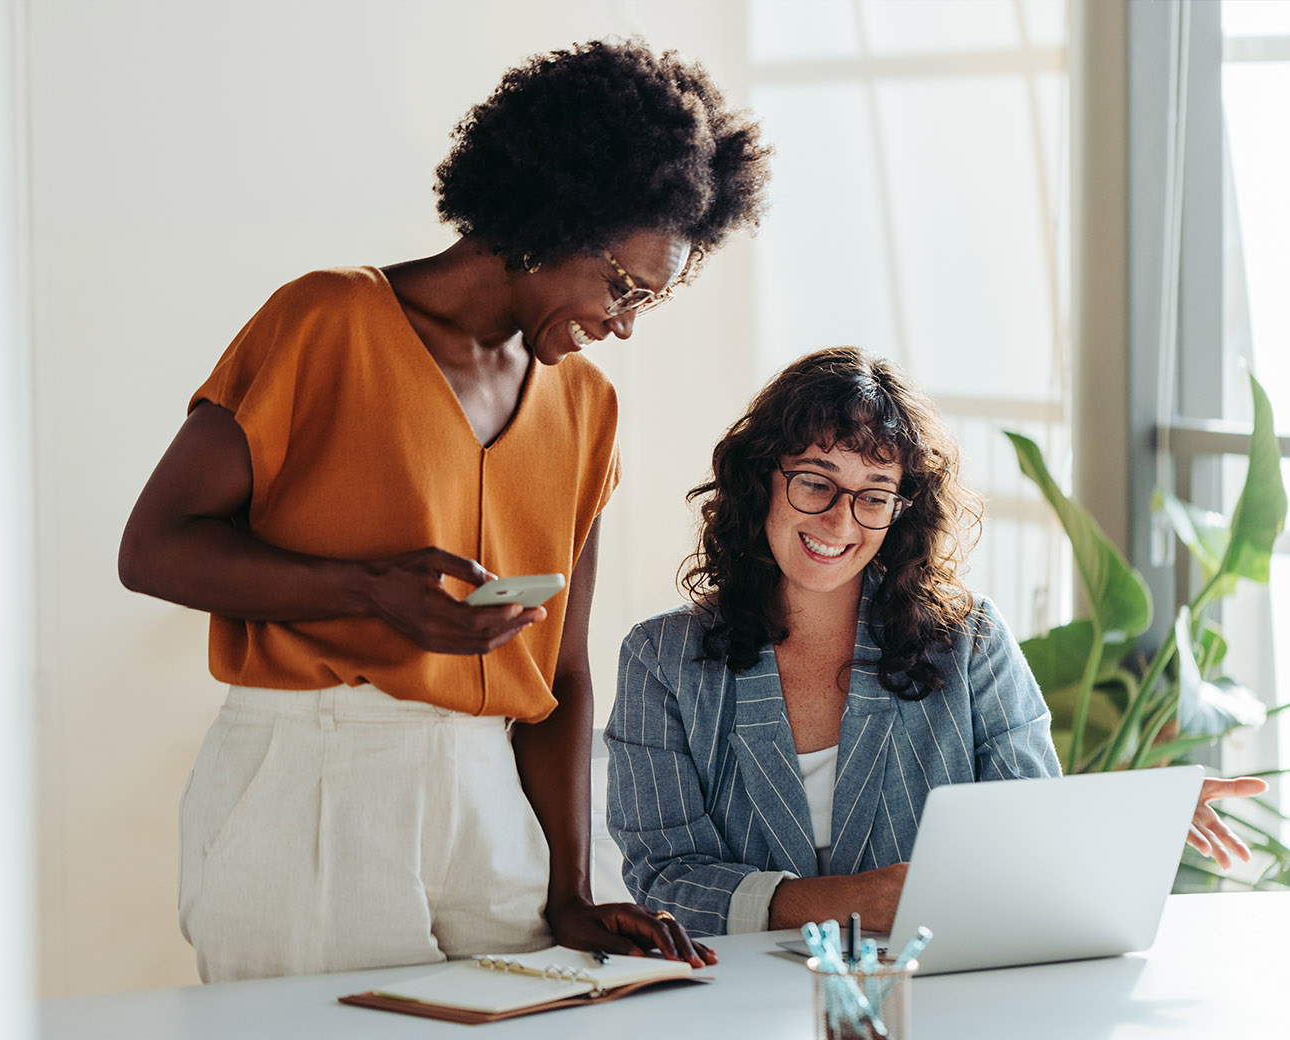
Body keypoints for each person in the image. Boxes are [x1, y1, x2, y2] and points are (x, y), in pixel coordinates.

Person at [118, 37, 771, 982]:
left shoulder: (586, 407)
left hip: (490, 795)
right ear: (554, 220)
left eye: (648, 303)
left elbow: (563, 673)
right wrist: (365, 592)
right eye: (622, 286)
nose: (623, 322)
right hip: (315, 775)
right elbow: (154, 547)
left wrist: (571, 892)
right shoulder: (326, 321)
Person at [605, 347, 1266, 937]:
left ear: (901, 511)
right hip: (740, 1005)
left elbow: (1026, 832)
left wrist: (1133, 816)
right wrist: (846, 900)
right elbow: (665, 879)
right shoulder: (661, 659)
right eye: (814, 481)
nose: (841, 518)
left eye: (874, 495)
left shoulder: (970, 642)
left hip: (938, 989)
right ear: (761, 481)